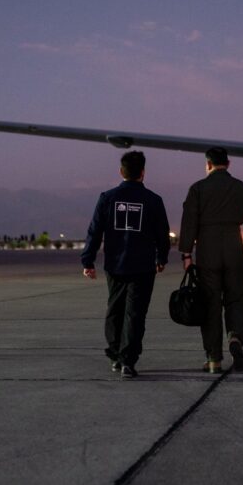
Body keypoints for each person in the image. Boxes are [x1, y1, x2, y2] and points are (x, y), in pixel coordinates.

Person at [179, 147, 243, 373]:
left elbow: (189, 222)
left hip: (207, 249)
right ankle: (235, 337)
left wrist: (187, 254)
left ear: (208, 164)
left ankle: (214, 360)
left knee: (210, 303)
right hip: (233, 247)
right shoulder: (242, 188)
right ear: (228, 164)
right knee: (235, 298)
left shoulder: (197, 189)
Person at [82, 151, 170, 379]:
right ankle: (128, 361)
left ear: (121, 171)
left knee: (115, 310)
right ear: (143, 172)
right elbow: (162, 234)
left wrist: (88, 260)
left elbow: (95, 231)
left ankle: (115, 355)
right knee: (135, 314)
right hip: (143, 267)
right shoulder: (153, 200)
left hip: (115, 265)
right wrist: (161, 258)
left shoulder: (107, 198)